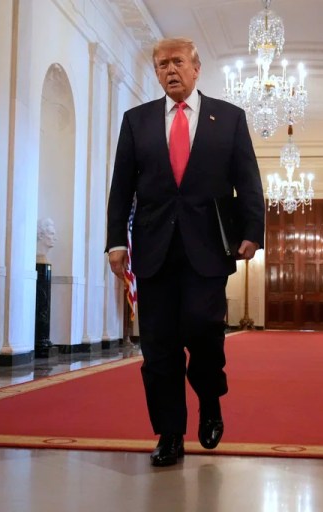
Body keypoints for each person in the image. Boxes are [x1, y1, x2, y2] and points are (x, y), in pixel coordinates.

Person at [105, 37, 265, 467]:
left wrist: (252, 230)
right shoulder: (136, 121)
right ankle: (170, 434)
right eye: (161, 65)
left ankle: (210, 399)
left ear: (197, 68)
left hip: (208, 247)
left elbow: (247, 178)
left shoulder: (229, 119)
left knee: (202, 332)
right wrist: (117, 240)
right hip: (153, 248)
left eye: (177, 62)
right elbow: (121, 187)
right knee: (158, 347)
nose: (169, 70)